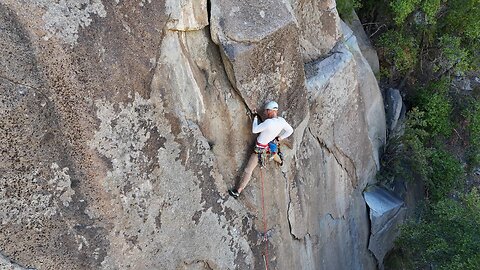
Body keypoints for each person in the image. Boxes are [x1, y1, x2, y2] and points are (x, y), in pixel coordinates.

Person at [229, 101, 294, 198]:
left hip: (259, 148)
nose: (265, 113)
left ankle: (237, 191)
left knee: (248, 170)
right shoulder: (281, 121)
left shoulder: (268, 122)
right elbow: (290, 130)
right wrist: (280, 138)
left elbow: (255, 130)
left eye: (266, 111)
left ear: (271, 111)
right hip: (269, 144)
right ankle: (280, 160)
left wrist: (255, 117)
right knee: (271, 151)